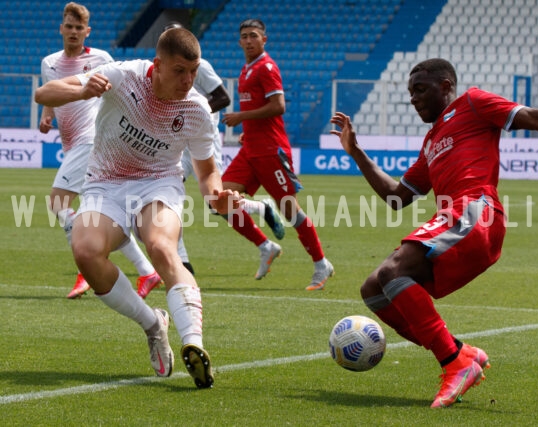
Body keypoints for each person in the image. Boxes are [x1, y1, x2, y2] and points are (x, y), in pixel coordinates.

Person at [329, 58, 538, 408]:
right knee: (375, 288)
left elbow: (531, 117)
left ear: (446, 86)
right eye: (410, 93)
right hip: (457, 220)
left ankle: (454, 363)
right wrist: (357, 152)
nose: (413, 99)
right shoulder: (431, 141)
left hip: (476, 210)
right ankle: (459, 352)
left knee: (396, 269)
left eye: (420, 90)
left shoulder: (473, 102)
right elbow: (398, 197)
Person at [35, 27, 240, 388]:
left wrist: (217, 195)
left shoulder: (196, 108)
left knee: (162, 245)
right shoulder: (124, 74)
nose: (188, 80)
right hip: (105, 182)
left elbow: (208, 174)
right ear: (157, 65)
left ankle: (194, 344)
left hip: (158, 183)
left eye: (193, 71)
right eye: (180, 71)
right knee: (85, 251)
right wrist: (83, 89)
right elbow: (44, 92)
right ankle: (152, 323)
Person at [39, 1, 162, 299]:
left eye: (79, 28)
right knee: (98, 214)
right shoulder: (49, 63)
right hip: (72, 144)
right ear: (61, 29)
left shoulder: (101, 59)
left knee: (57, 203)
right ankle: (147, 271)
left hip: (93, 139)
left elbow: (119, 91)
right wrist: (47, 114)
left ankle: (84, 272)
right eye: (69, 26)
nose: (73, 31)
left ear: (87, 32)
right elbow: (52, 92)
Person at [155, 22, 285, 290]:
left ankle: (262, 211)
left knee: (216, 203)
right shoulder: (161, 65)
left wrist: (190, 113)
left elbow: (222, 97)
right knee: (165, 197)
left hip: (201, 138)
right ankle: (183, 261)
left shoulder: (199, 64)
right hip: (177, 140)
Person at [221, 19, 333, 290]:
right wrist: (248, 129)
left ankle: (321, 264)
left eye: (254, 36)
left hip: (272, 151)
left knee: (291, 212)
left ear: (264, 39)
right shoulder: (246, 69)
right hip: (251, 149)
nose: (249, 41)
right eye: (245, 36)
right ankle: (265, 245)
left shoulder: (266, 67)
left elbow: (278, 106)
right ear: (239, 41)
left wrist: (241, 116)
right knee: (220, 199)